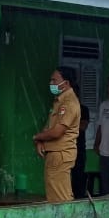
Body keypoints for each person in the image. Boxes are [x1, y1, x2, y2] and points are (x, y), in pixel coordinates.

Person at [33, 67, 81, 203]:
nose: (51, 83)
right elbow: (49, 127)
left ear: (66, 83)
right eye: (51, 80)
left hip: (61, 154)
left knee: (60, 198)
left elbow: (57, 132)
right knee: (55, 195)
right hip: (55, 153)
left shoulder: (69, 103)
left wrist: (36, 137)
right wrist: (40, 141)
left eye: (54, 80)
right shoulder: (59, 101)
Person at [70, 83, 91, 198]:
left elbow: (82, 126)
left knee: (78, 177)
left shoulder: (83, 109)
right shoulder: (62, 109)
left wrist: (66, 125)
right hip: (64, 148)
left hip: (78, 148)